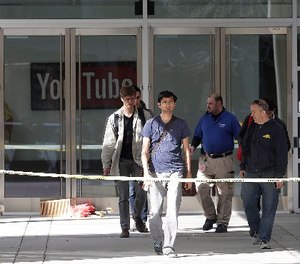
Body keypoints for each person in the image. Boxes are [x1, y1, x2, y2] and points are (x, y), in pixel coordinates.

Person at [141, 90, 192, 257]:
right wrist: (146, 174)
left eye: (170, 102)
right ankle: (157, 239)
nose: (167, 105)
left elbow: (186, 150)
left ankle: (169, 246)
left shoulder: (181, 124)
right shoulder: (150, 124)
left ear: (174, 104)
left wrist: (189, 173)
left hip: (175, 172)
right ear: (159, 104)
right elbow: (144, 151)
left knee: (172, 211)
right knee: (154, 211)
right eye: (164, 102)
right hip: (155, 173)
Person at [101, 85, 150, 238]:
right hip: (121, 160)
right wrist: (106, 164)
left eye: (133, 98)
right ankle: (125, 227)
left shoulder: (145, 116)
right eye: (128, 99)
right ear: (122, 99)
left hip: (139, 160)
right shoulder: (114, 118)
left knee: (142, 192)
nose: (131, 102)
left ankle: (137, 217)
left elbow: (152, 138)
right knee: (123, 195)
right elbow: (108, 143)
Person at [239, 99, 288, 249]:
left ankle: (264, 238)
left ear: (262, 112)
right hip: (251, 172)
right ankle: (256, 231)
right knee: (248, 203)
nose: (251, 114)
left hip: (271, 172)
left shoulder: (276, 128)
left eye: (253, 111)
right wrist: (242, 167)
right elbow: (245, 147)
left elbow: (282, 154)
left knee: (269, 207)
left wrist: (279, 175)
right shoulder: (252, 127)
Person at [190, 93, 241, 233]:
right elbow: (197, 135)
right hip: (206, 160)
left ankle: (222, 222)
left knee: (225, 192)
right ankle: (211, 216)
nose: (208, 106)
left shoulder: (230, 119)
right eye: (207, 103)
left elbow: (240, 138)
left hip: (224, 160)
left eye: (211, 103)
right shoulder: (204, 118)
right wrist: (193, 146)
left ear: (219, 103)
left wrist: (244, 156)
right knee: (200, 188)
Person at [129, 86, 153, 230]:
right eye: (133, 98)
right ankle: (135, 217)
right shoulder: (125, 113)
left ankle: (141, 218)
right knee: (131, 191)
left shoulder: (147, 114)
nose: (135, 101)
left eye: (138, 97)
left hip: (142, 157)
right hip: (129, 158)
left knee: (142, 190)